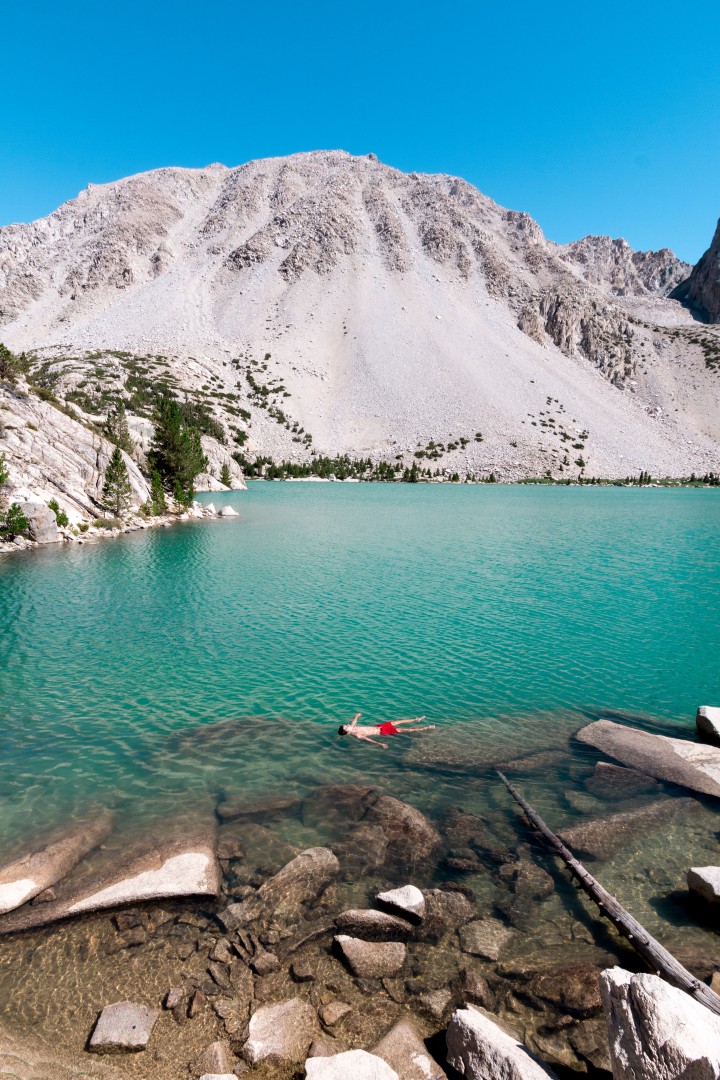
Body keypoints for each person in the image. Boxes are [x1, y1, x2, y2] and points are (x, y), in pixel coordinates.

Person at [337, 712, 435, 749]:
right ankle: (426, 728)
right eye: (346, 727)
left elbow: (354, 720)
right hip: (382, 732)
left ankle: (416, 719)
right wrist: (380, 744)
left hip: (381, 726)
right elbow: (369, 740)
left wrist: (357, 715)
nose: (347, 724)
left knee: (399, 721)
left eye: (346, 725)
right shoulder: (357, 734)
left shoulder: (353, 727)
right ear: (348, 732)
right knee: (407, 730)